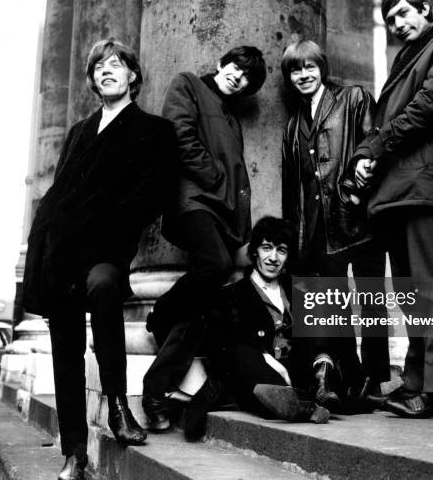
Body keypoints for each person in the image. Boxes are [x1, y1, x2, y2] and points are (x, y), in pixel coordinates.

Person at [22, 39, 176, 480]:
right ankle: (74, 452)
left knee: (105, 286)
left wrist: (95, 228)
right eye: (98, 68)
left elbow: (149, 197)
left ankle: (119, 409)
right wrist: (43, 239)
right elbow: (57, 197)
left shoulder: (154, 131)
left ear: (132, 76)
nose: (106, 71)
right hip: (60, 252)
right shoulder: (77, 132)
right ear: (92, 81)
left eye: (116, 64)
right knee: (65, 347)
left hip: (106, 249)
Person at [350, 0, 433, 419]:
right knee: (412, 293)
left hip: (425, 183)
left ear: (426, 8)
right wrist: (365, 156)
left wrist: (378, 148)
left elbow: (431, 107)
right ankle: (416, 383)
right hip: (402, 189)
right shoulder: (408, 59)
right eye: (390, 20)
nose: (398, 24)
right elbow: (385, 125)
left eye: (405, 13)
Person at [142, 46, 267, 429]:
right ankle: (160, 312)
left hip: (219, 210)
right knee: (216, 266)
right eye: (236, 67)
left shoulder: (231, 116)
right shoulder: (189, 84)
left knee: (203, 299)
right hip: (193, 197)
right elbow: (179, 133)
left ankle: (157, 388)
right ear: (221, 63)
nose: (238, 76)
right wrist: (213, 177)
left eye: (247, 77)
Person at [281, 40, 389, 412]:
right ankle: (343, 378)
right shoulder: (293, 125)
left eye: (310, 67)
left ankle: (375, 378)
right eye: (296, 70)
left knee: (371, 300)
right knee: (333, 304)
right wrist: (293, 238)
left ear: (322, 68)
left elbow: (374, 145)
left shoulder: (354, 98)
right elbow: (291, 189)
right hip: (315, 230)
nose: (303, 75)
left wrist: (354, 192)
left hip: (358, 221)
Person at [185, 216, 330, 440]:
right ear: (255, 252)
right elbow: (220, 350)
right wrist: (263, 356)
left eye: (281, 251)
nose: (273, 258)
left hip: (297, 371)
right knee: (240, 354)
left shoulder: (299, 291)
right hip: (255, 372)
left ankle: (309, 395)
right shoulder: (231, 295)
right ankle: (294, 402)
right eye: (266, 248)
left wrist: (321, 356)